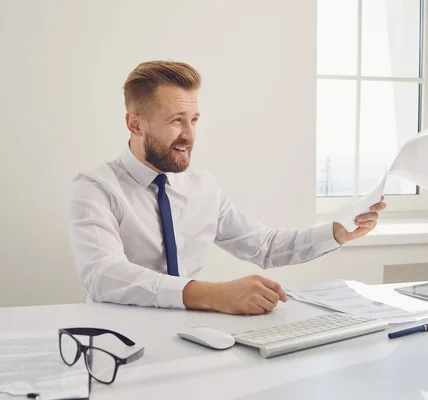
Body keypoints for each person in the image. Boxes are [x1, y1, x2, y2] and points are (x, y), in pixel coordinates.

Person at [67, 60, 386, 315]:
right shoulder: (95, 188)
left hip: (189, 336)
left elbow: (264, 245)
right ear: (135, 124)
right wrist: (216, 294)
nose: (190, 135)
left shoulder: (202, 186)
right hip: (115, 342)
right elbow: (103, 275)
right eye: (177, 120)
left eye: (194, 120)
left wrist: (336, 232)